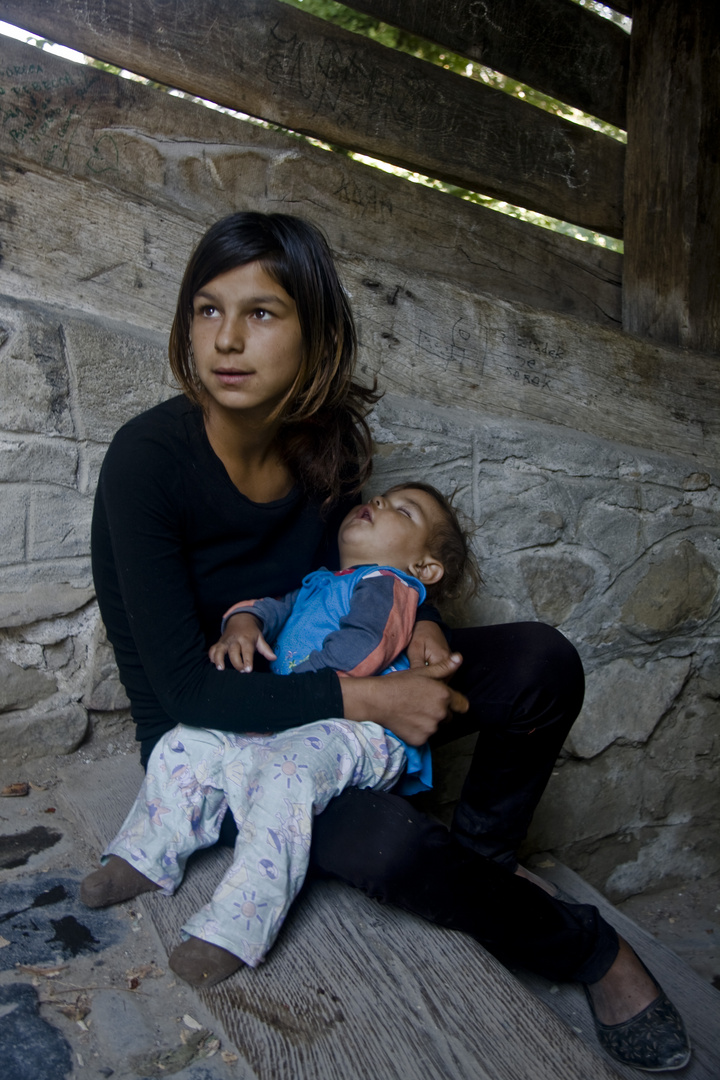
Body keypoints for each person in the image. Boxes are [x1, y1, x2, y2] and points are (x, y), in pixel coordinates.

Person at [88, 211, 689, 1071]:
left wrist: (431, 631)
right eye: (207, 309)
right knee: (388, 845)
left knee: (543, 663)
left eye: (262, 313)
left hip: (345, 698)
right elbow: (188, 693)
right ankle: (590, 951)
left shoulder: (325, 441)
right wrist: (377, 697)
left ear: (316, 332)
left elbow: (369, 578)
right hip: (225, 743)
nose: (226, 339)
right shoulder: (146, 461)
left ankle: (482, 864)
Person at [81, 482, 474, 984]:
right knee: (187, 739)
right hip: (306, 716)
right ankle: (142, 855)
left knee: (285, 776)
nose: (378, 504)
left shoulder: (389, 586)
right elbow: (277, 606)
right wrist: (243, 621)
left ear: (425, 568)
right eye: (380, 498)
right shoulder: (325, 581)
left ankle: (235, 929)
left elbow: (360, 655)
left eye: (403, 511)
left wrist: (284, 691)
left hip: (363, 728)